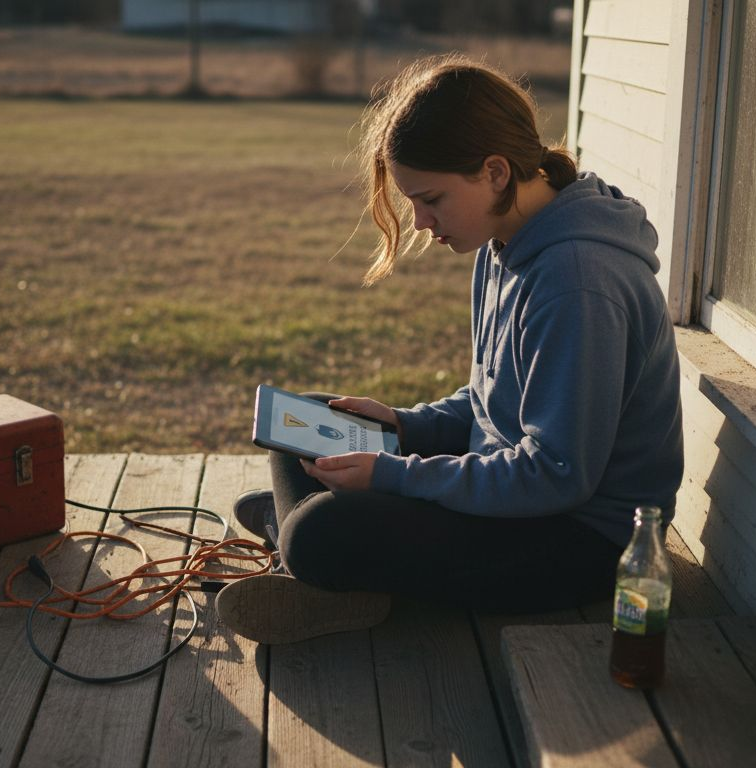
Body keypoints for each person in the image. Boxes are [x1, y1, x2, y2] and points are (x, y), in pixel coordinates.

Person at [215, 54, 684, 645]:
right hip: (511, 491)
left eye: (430, 198)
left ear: (494, 171)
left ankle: (308, 554)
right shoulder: (505, 241)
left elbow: (556, 476)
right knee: (305, 420)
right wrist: (407, 426)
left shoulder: (578, 281)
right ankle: (314, 551)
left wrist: (395, 475)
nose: (419, 222)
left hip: (580, 540)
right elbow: (493, 400)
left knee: (321, 531)